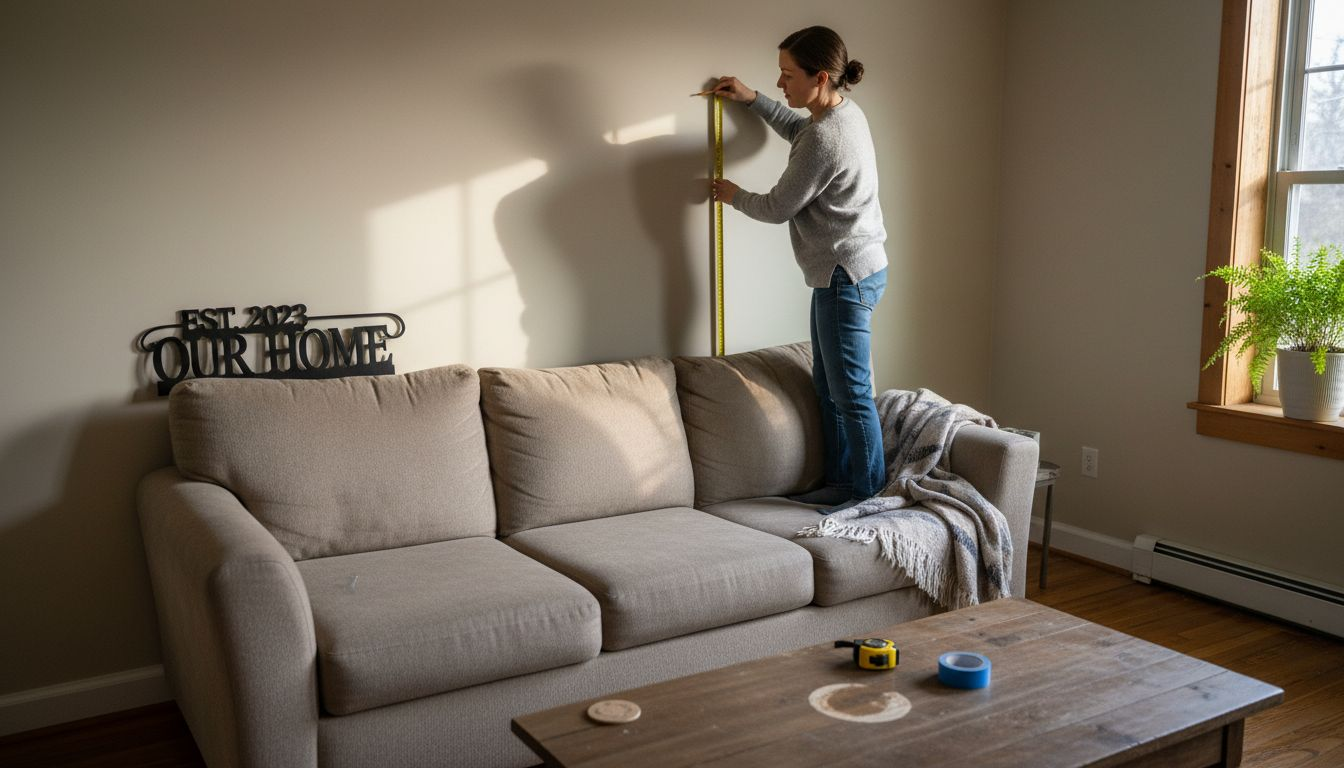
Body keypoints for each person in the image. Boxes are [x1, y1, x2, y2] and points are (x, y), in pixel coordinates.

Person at [711, 26, 888, 512]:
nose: (781, 82)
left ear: (821, 77)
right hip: (855, 268)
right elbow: (799, 129)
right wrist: (754, 100)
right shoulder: (843, 114)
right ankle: (843, 482)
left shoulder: (827, 138)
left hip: (844, 275)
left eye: (788, 75)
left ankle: (867, 497)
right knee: (829, 386)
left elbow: (776, 207)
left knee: (850, 393)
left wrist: (733, 195)